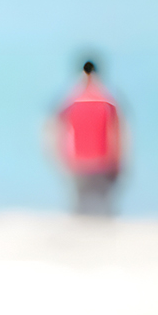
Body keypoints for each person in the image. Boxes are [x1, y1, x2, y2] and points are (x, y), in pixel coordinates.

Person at [53, 59, 124, 216]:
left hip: (78, 162)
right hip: (103, 162)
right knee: (104, 209)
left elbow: (57, 127)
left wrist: (61, 158)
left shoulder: (70, 99)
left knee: (79, 208)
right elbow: (117, 133)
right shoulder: (108, 99)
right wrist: (118, 162)